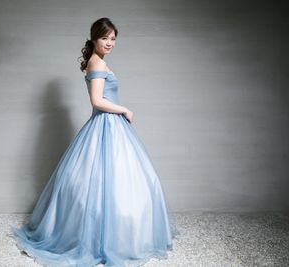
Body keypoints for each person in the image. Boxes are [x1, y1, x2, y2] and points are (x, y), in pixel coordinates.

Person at [10, 17, 179, 267]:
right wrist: (124, 110)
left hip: (112, 127)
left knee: (121, 181)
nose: (109, 43)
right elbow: (97, 101)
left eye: (113, 38)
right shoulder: (95, 63)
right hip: (106, 124)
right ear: (93, 39)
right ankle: (102, 239)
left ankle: (120, 236)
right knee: (102, 183)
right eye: (104, 38)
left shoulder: (99, 61)